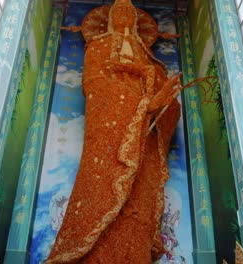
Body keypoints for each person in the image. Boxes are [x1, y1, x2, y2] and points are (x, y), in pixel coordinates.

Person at [46, 0, 182, 263]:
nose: (123, 17)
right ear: (107, 19)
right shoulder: (98, 46)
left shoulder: (145, 54)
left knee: (138, 198)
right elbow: (93, 85)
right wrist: (138, 98)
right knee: (99, 184)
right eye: (117, 12)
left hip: (141, 132)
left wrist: (160, 99)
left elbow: (164, 103)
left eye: (128, 13)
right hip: (107, 128)